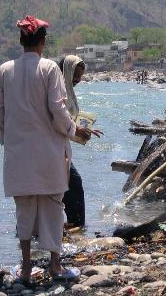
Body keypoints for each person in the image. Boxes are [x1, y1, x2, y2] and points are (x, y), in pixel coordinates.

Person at [0, 15, 90, 283]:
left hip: (18, 154)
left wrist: (10, 142)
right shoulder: (49, 69)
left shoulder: (4, 70)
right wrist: (74, 130)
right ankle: (55, 265)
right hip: (49, 153)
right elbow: (58, 111)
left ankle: (25, 267)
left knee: (24, 209)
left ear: (20, 40)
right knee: (52, 207)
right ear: (42, 41)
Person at [58, 55, 102, 228]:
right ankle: (75, 226)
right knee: (72, 184)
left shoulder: (64, 89)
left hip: (60, 147)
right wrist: (77, 130)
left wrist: (82, 130)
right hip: (53, 148)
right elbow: (57, 119)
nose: (78, 80)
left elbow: (65, 122)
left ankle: (69, 226)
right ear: (66, 72)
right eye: (75, 76)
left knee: (67, 185)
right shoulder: (57, 90)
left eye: (80, 77)